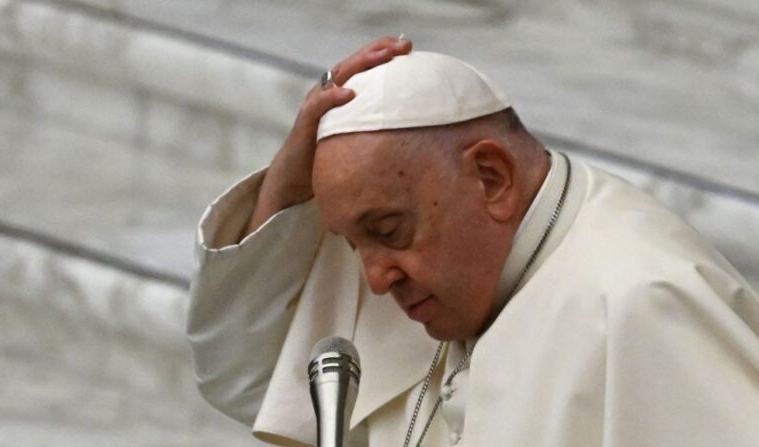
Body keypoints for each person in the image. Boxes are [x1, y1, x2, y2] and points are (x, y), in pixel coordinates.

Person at [187, 37, 759, 447]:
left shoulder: (645, 300)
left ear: (492, 177)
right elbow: (245, 375)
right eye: (353, 244)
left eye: (388, 232)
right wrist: (285, 188)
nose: (376, 279)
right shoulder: (436, 273)